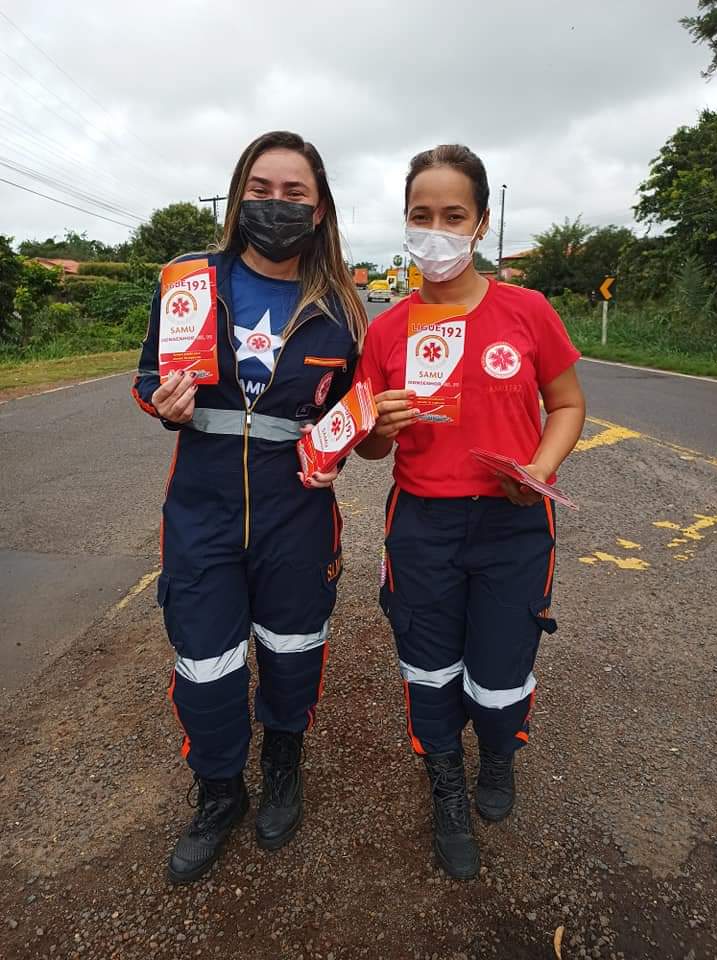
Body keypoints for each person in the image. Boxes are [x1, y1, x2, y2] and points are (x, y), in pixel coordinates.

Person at [132, 131, 366, 883]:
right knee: (205, 662)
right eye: (260, 190)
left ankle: (284, 765)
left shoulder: (342, 310)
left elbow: (354, 413)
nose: (275, 205)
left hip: (298, 517)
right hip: (199, 515)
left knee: (293, 651)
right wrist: (164, 406)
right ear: (239, 197)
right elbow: (147, 376)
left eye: (293, 193)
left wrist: (343, 443)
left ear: (320, 207)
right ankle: (220, 790)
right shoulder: (189, 281)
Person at [354, 145, 585, 880]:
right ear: (405, 222)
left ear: (481, 222)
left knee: (500, 666)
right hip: (422, 525)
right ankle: (445, 782)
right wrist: (377, 429)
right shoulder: (389, 331)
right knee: (428, 665)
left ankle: (497, 758)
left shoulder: (528, 312)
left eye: (454, 215)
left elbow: (569, 404)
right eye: (421, 216)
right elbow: (365, 450)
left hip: (514, 525)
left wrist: (542, 467)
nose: (436, 230)